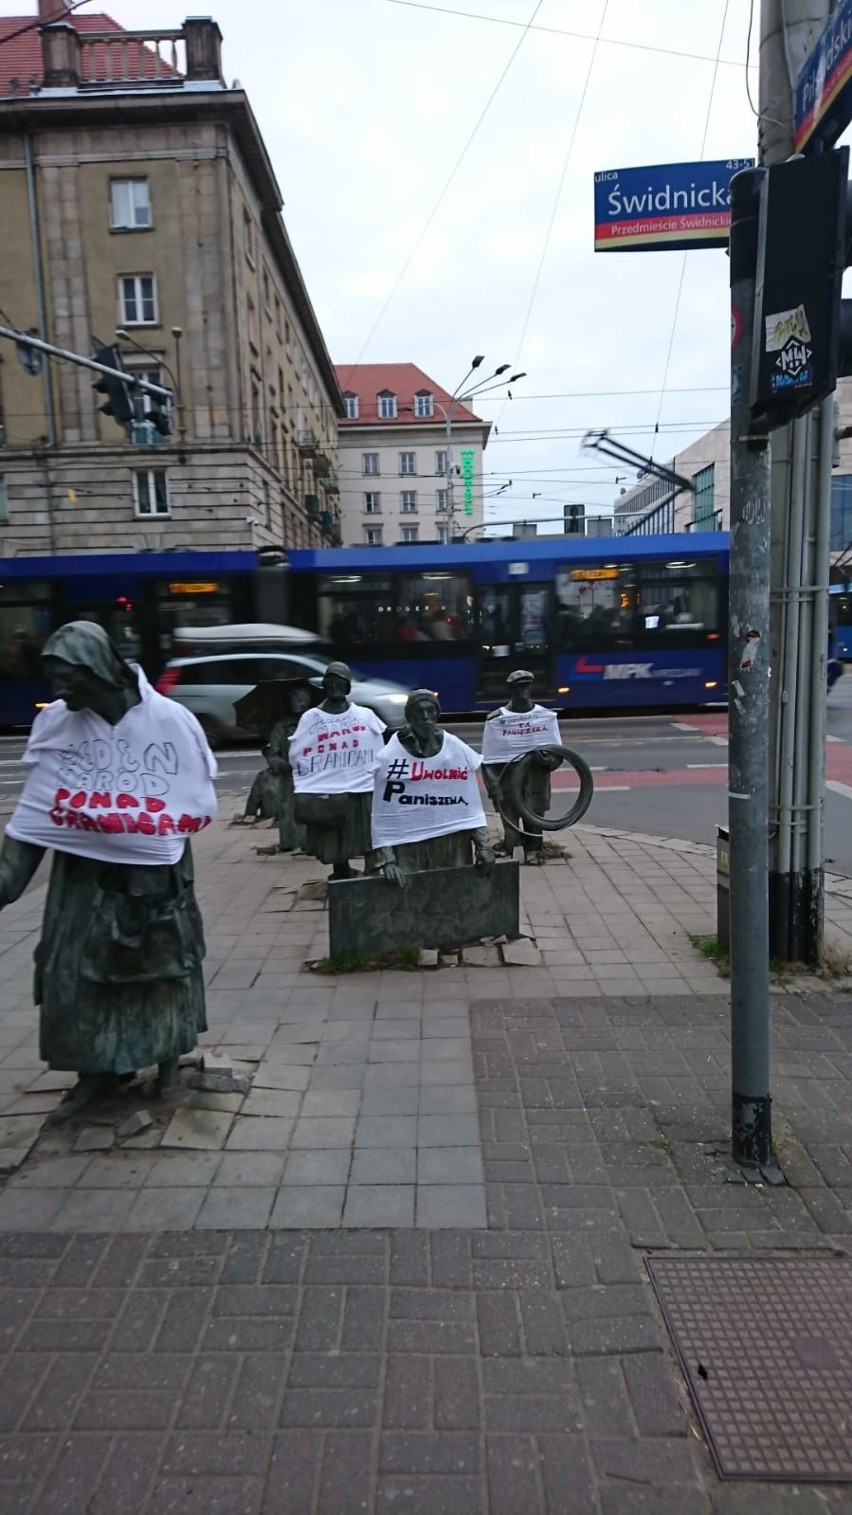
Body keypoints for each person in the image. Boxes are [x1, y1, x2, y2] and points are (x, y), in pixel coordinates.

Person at [0, 621, 217, 1124]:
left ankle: (167, 1064)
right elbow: (39, 808)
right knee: (69, 974)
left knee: (162, 969)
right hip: (80, 880)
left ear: (97, 668)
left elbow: (189, 801)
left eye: (65, 677)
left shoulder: (170, 721)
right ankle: (93, 1075)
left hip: (154, 878)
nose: (56, 690)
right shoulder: (58, 724)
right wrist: (9, 878)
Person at [372, 689, 495, 884]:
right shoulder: (390, 757)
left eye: (430, 711)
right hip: (410, 845)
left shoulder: (455, 749)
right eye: (419, 711)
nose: (425, 717)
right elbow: (384, 814)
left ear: (437, 714)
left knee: (454, 898)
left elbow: (470, 805)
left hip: (452, 842)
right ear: (409, 716)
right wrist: (388, 860)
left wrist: (484, 846)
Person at [289, 662, 386, 880]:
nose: (335, 687)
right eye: (330, 682)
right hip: (328, 792)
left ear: (348, 686)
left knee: (368, 836)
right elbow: (298, 753)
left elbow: (378, 746)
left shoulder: (365, 715)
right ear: (324, 685)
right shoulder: (310, 718)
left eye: (340, 682)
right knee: (335, 840)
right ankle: (341, 875)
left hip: (362, 789)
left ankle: (373, 875)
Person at [482, 670, 562, 864]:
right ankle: (511, 848)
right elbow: (488, 758)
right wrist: (493, 787)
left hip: (535, 777)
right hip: (507, 777)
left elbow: (558, 754)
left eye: (526, 686)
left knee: (534, 818)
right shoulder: (496, 720)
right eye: (519, 687)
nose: (523, 691)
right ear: (511, 689)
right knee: (509, 818)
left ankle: (533, 851)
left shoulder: (545, 717)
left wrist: (547, 761)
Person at [260, 682, 313, 853]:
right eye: (296, 700)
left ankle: (310, 843)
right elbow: (272, 753)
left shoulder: (316, 724)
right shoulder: (281, 727)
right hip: (288, 776)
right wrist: (279, 763)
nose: (299, 704)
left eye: (302, 700)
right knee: (288, 809)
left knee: (312, 809)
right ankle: (290, 842)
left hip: (312, 775)